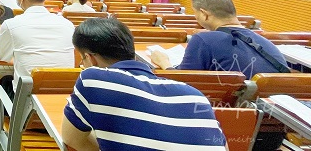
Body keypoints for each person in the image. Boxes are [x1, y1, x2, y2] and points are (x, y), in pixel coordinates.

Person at [62, 18, 226, 151]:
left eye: (82, 60)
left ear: (90, 58)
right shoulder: (195, 96)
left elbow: (72, 139)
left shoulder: (93, 79)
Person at [151, 0, 288, 79]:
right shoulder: (266, 43)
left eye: (195, 13)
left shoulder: (202, 40)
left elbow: (182, 83)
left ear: (204, 14)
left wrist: (164, 63)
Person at [0, 0, 75, 101]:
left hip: (26, 100)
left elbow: (0, 56)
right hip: (63, 98)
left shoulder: (12, 25)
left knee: (6, 81)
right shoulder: (68, 25)